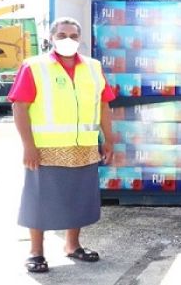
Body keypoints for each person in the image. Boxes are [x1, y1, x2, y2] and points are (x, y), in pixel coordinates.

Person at [9, 17, 115, 273]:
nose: (68, 40)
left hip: (84, 148)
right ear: (52, 38)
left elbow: (103, 105)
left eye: (73, 36)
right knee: (40, 199)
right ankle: (36, 252)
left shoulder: (93, 67)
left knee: (77, 198)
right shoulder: (34, 66)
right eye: (62, 35)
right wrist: (28, 146)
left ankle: (73, 245)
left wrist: (108, 139)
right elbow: (19, 106)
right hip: (46, 149)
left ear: (80, 40)